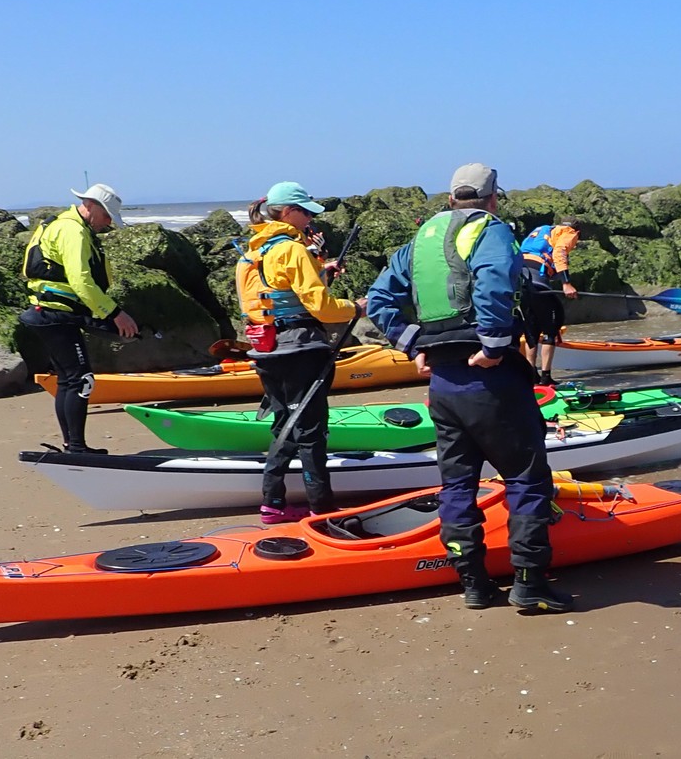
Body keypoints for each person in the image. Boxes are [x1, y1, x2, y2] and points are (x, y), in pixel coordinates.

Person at [365, 163, 573, 612]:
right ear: (493, 198)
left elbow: (377, 299)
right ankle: (529, 581)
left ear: (451, 198)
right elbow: (494, 283)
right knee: (526, 478)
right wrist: (496, 345)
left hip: (442, 383)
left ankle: (474, 584)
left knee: (457, 485)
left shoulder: (420, 237)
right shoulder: (490, 229)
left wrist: (412, 344)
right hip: (490, 378)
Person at [236, 181, 366, 524]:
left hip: (265, 349)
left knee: (284, 423)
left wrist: (322, 272)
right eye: (306, 212)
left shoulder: (253, 251)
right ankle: (322, 507)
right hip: (300, 349)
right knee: (310, 430)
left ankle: (272, 502)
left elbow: (276, 290)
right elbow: (321, 308)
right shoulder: (293, 250)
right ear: (288, 212)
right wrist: (355, 307)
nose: (309, 219)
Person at [20, 183, 138, 454]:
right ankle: (76, 447)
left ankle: (72, 444)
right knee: (82, 380)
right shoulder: (74, 231)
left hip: (50, 313)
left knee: (68, 379)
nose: (108, 224)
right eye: (108, 216)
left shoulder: (64, 224)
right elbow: (80, 281)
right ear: (92, 207)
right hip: (55, 315)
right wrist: (115, 313)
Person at [519, 218, 581, 385]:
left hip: (520, 281)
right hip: (537, 281)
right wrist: (566, 283)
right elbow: (559, 252)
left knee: (532, 328)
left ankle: (531, 376)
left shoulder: (541, 229)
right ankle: (546, 377)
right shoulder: (569, 232)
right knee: (552, 325)